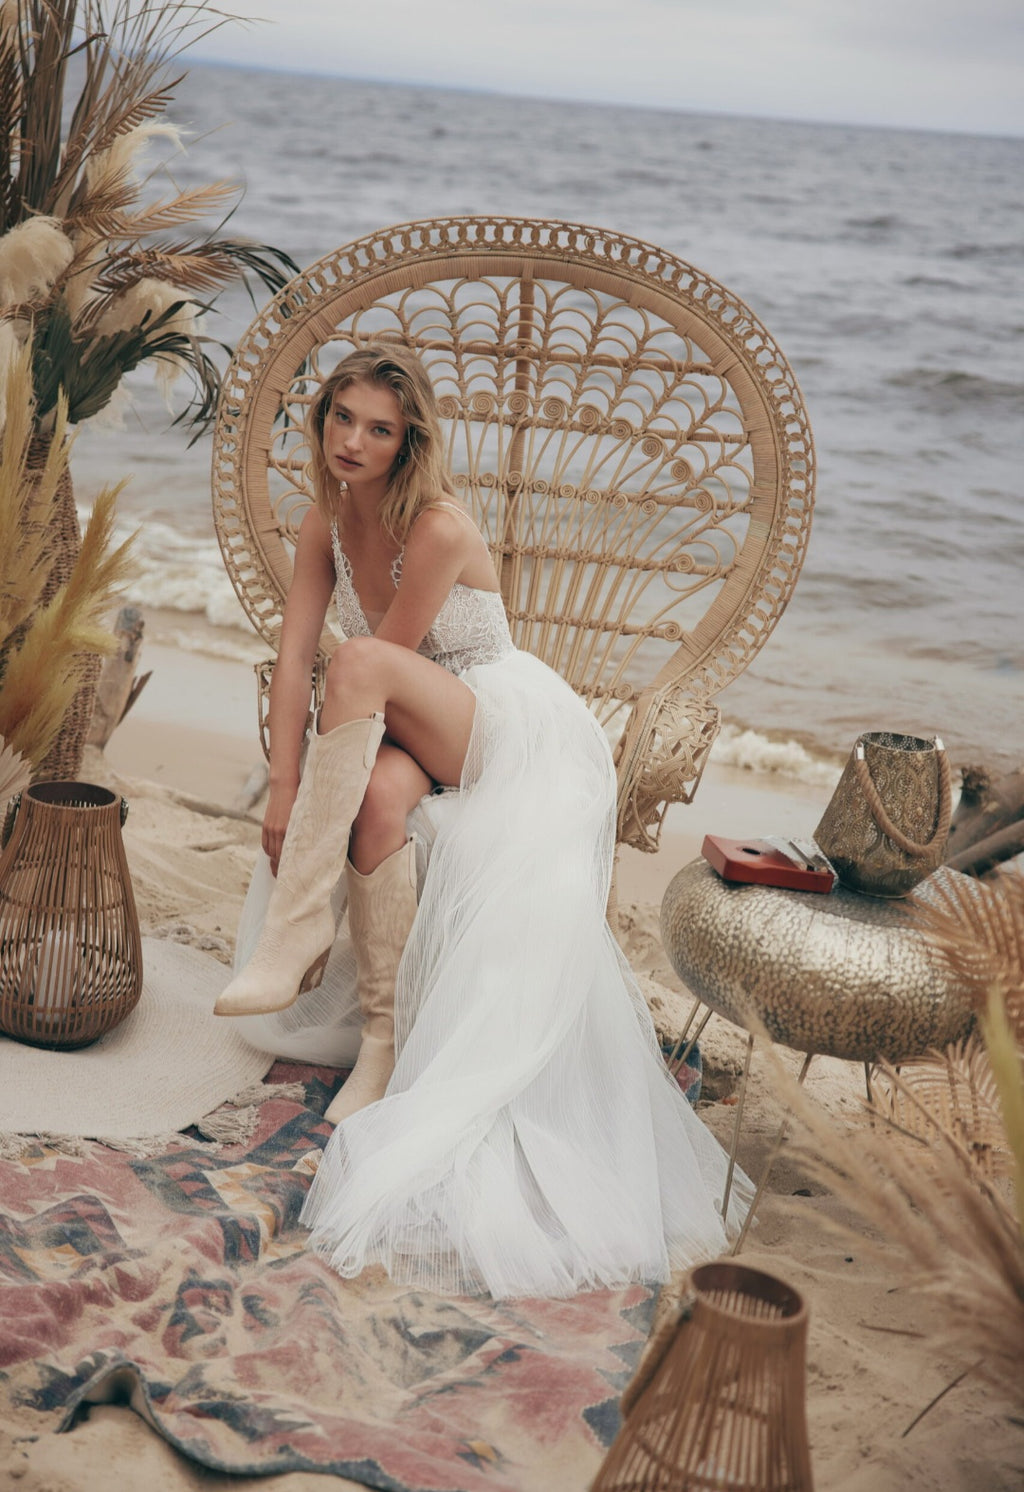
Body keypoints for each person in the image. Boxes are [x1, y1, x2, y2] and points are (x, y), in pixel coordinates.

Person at [216, 342, 751, 1299]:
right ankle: (381, 1044)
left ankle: (297, 925)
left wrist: (303, 816)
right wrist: (289, 786)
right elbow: (296, 655)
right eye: (342, 418)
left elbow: (372, 665)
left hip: (501, 729)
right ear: (324, 418)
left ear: (407, 437)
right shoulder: (323, 520)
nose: (353, 440)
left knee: (361, 668)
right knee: (376, 798)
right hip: (405, 718)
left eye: (378, 428)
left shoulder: (437, 526)